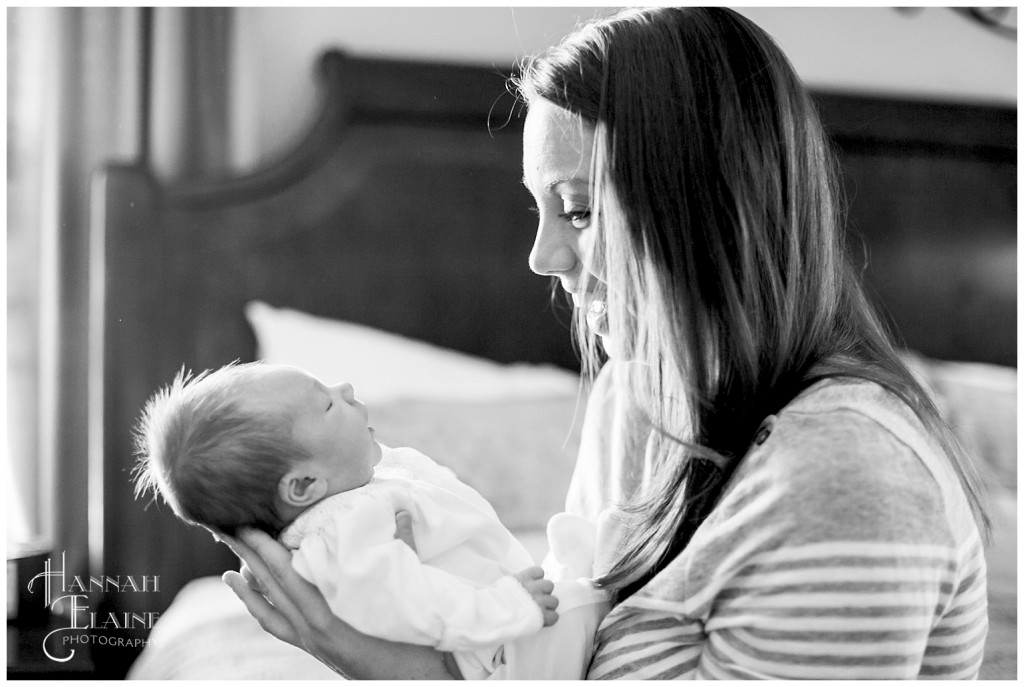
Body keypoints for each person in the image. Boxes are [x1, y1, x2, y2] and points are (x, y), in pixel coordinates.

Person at [222, 7, 991, 679]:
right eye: (540, 210)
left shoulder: (843, 477)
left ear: (709, 208)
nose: (542, 257)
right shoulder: (636, 401)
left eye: (580, 210)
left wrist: (383, 668)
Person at [133, 361, 609, 680]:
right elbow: (408, 603)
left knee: (583, 560)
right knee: (591, 604)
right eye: (325, 404)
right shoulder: (337, 534)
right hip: (494, 654)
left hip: (497, 628)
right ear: (303, 486)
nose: (346, 389)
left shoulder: (355, 493)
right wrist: (509, 607)